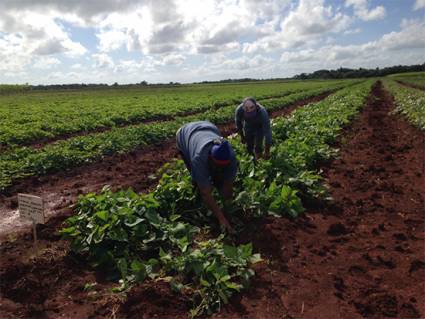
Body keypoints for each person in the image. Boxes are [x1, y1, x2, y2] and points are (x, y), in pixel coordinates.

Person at [176, 121, 238, 232]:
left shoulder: (231, 157)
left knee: (219, 178)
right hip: (184, 134)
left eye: (222, 166)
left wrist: (227, 205)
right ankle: (197, 187)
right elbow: (206, 193)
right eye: (217, 165)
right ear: (210, 157)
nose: (219, 167)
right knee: (198, 179)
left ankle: (214, 182)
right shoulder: (199, 158)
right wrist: (221, 218)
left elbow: (229, 183)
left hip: (209, 127)